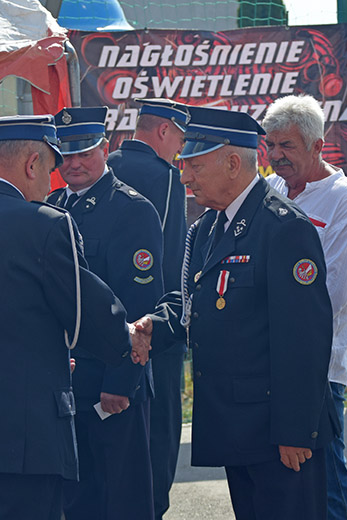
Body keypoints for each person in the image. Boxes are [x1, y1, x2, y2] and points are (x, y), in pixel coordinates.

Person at [0, 114, 150, 520]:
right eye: (50, 167)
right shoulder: (45, 224)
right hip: (25, 442)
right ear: (30, 164)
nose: (52, 181)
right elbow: (83, 315)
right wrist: (127, 335)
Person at [141, 106, 338, 519]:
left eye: (194, 165)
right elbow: (192, 306)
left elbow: (304, 338)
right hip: (237, 428)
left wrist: (295, 430)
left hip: (279, 437)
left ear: (233, 163)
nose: (184, 176)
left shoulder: (283, 227)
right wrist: (148, 329)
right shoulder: (208, 229)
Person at [47, 106, 163, 520]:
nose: (74, 163)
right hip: (68, 385)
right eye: (65, 155)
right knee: (78, 501)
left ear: (106, 148)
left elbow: (139, 308)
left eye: (84, 152)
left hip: (113, 388)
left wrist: (121, 381)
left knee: (123, 500)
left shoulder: (131, 210)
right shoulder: (52, 207)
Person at [262, 94, 347, 520]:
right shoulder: (270, 188)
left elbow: (334, 297)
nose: (276, 156)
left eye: (287, 146)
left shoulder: (344, 201)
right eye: (271, 145)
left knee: (325, 487)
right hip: (270, 365)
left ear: (317, 146)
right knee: (288, 492)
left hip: (319, 370)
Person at [107, 98, 189, 520]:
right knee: (156, 451)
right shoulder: (167, 178)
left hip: (102, 328)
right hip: (152, 330)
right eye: (179, 136)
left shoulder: (105, 167)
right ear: (163, 131)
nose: (180, 146)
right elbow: (173, 267)